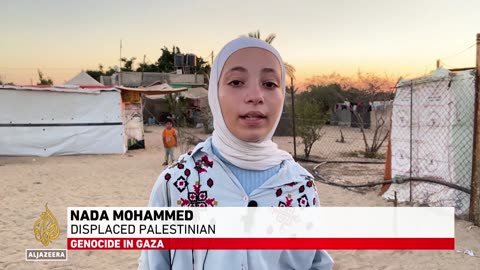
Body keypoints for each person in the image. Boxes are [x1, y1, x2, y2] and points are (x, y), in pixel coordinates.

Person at [138, 37, 333, 269]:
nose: (255, 96)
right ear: (214, 93)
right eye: (237, 82)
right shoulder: (176, 183)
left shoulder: (300, 186)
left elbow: (316, 263)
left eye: (269, 84)